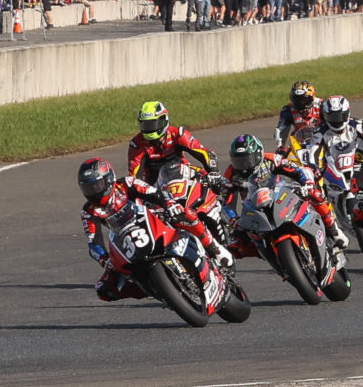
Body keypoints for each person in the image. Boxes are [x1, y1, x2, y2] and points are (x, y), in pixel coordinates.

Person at [77, 158, 231, 301]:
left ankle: (215, 248)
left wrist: (169, 204)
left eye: (97, 185)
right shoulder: (89, 211)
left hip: (152, 217)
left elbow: (154, 193)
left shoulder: (126, 184)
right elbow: (94, 242)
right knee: (104, 290)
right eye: (88, 188)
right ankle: (155, 289)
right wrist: (105, 261)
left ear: (109, 179)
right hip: (128, 240)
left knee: (185, 214)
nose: (94, 191)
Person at [222, 134, 345, 257]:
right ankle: (276, 261)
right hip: (255, 209)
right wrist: (233, 219)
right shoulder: (230, 174)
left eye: (247, 160)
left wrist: (307, 184)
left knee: (315, 194)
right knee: (235, 246)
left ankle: (334, 230)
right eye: (238, 161)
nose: (243, 166)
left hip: (281, 196)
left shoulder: (271, 159)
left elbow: (298, 170)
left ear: (258, 154)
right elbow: (225, 203)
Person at [126, 101, 216, 183]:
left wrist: (214, 172)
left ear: (163, 121)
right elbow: (134, 177)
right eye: (145, 125)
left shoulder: (178, 134)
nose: (148, 129)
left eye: (152, 124)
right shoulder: (136, 144)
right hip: (156, 185)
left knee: (218, 182)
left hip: (184, 176)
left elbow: (206, 153)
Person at [274, 80, 322, 149]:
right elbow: (280, 130)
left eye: (303, 100)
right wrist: (281, 148)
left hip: (321, 144)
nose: (299, 103)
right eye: (296, 100)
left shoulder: (322, 106)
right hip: (299, 145)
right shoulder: (288, 110)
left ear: (311, 98)